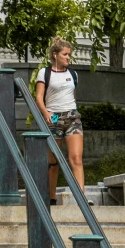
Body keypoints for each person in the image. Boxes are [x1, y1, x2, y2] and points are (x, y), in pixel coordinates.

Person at [34, 36, 84, 203]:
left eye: (69, 54)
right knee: (53, 162)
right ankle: (51, 198)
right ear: (55, 55)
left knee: (76, 158)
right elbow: (39, 97)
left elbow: (73, 96)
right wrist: (45, 113)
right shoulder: (45, 73)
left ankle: (81, 198)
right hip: (53, 117)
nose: (68, 57)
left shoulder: (73, 74)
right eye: (65, 54)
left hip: (72, 117)